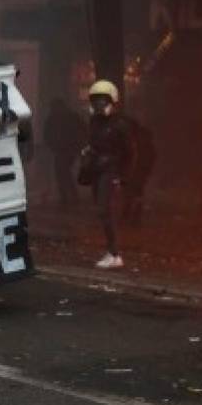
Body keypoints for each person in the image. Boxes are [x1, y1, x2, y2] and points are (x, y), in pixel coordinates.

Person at [80, 80, 136, 269]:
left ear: (113, 100)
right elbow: (95, 143)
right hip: (97, 170)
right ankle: (111, 251)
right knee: (102, 211)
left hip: (111, 171)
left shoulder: (120, 124)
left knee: (106, 210)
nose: (99, 104)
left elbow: (130, 153)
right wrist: (88, 152)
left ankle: (114, 254)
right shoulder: (95, 122)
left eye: (103, 100)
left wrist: (122, 177)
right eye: (96, 100)